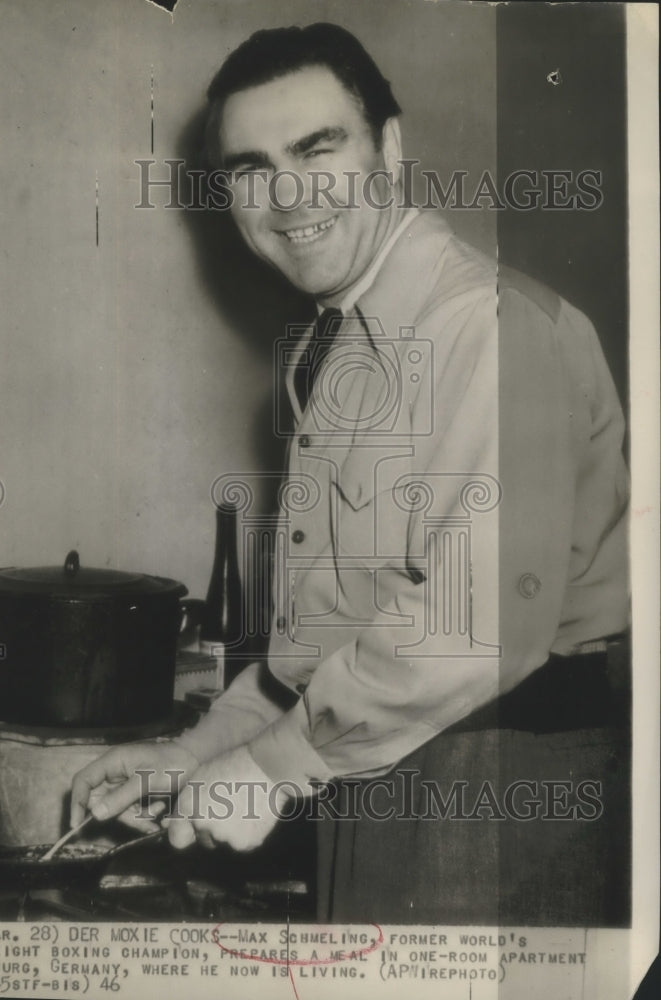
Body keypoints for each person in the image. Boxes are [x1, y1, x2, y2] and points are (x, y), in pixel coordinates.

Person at [72, 23, 629, 924]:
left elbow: (474, 629)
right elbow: (333, 630)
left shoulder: (489, 328)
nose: (285, 196)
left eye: (316, 148)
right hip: (372, 761)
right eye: (250, 167)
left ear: (391, 149)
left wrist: (263, 766)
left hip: (498, 790)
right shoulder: (334, 353)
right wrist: (202, 749)